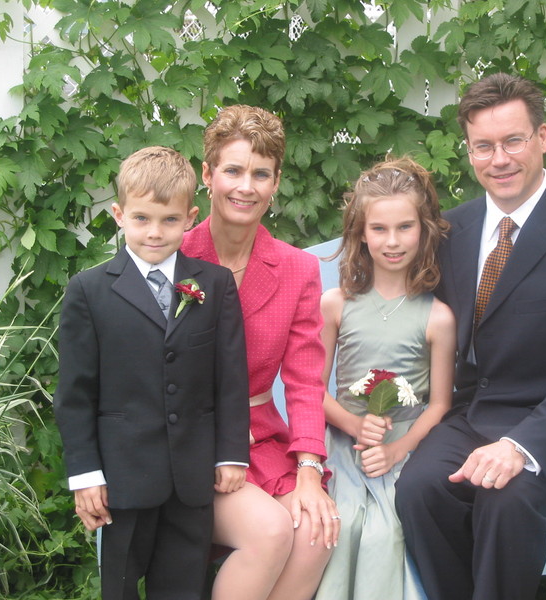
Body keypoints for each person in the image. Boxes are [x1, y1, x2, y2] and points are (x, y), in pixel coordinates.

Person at [394, 73, 546, 600]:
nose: (499, 160)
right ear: (469, 150)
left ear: (543, 138)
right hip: (471, 418)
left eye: (513, 141)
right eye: (483, 146)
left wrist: (521, 447)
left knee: (504, 498)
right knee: (419, 489)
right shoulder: (450, 232)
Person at [54, 146, 249, 600]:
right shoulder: (89, 291)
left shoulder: (215, 284)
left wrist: (231, 454)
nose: (155, 232)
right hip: (121, 478)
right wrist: (85, 475)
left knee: (183, 586)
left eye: (169, 220)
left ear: (190, 218)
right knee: (120, 586)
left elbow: (230, 378)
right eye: (141, 219)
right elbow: (75, 394)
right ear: (119, 215)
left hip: (192, 477)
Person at [180, 105, 339, 600]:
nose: (246, 187)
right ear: (208, 174)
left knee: (314, 532)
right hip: (186, 442)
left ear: (276, 183)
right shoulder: (171, 256)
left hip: (261, 441)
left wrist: (309, 471)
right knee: (271, 531)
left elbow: (306, 380)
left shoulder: (297, 269)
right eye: (233, 170)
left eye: (261, 174)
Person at [315, 157, 456, 600]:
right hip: (343, 444)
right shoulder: (336, 304)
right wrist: (355, 425)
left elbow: (440, 404)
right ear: (361, 232)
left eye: (405, 227)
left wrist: (397, 449)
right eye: (379, 229)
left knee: (385, 532)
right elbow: (312, 389)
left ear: (423, 230)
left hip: (406, 448)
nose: (392, 241)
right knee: (338, 522)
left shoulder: (438, 317)